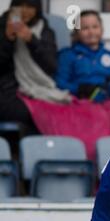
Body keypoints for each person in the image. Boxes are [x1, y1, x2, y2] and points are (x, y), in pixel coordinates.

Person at [0, 0, 58, 134]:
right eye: (20, 6)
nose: (24, 11)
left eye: (30, 6)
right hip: (7, 91)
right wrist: (7, 39)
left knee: (51, 109)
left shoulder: (45, 31)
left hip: (37, 88)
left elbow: (51, 67)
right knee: (32, 111)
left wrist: (32, 41)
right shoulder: (2, 26)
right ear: (12, 8)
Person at [55, 10, 110, 103]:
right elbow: (60, 84)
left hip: (109, 103)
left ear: (102, 29)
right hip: (78, 102)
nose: (91, 32)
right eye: (85, 28)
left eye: (95, 27)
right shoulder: (67, 55)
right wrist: (81, 89)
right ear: (76, 33)